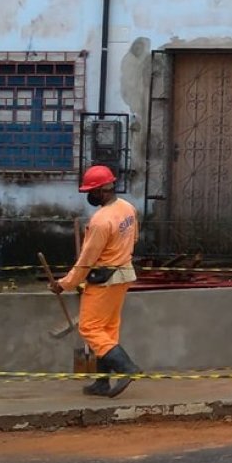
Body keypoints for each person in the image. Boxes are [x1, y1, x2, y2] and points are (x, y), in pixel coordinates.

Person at [50, 165, 141, 397]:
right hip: (124, 275)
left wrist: (64, 283)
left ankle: (126, 367)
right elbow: (134, 238)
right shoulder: (128, 208)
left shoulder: (101, 221)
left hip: (104, 279)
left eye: (91, 191)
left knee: (90, 328)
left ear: (101, 191)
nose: (89, 196)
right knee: (107, 330)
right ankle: (102, 382)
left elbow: (86, 260)